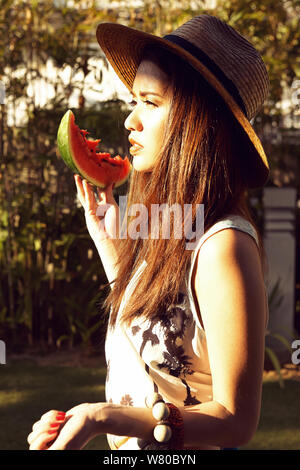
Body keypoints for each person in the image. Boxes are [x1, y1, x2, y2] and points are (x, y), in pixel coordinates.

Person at [27, 14, 270, 451]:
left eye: (150, 102)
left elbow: (235, 420)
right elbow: (157, 342)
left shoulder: (224, 246)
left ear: (197, 122)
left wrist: (104, 417)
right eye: (132, 101)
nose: (129, 121)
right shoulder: (171, 230)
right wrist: (111, 245)